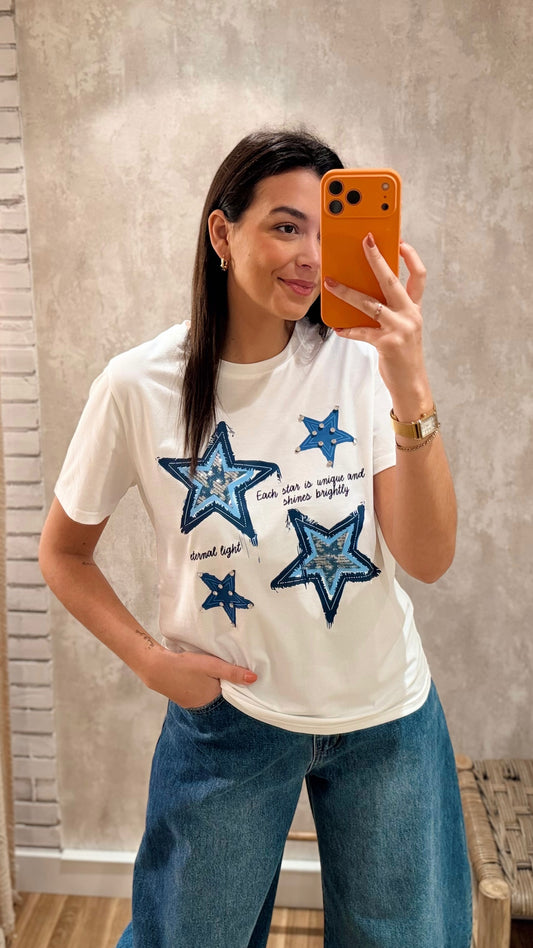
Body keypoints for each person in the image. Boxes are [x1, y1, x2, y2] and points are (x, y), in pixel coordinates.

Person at [39, 128, 473, 948]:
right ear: (221, 232)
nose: (310, 256)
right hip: (229, 721)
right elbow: (62, 553)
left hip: (386, 720)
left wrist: (409, 378)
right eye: (284, 225)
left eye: (327, 231)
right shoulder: (137, 385)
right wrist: (149, 660)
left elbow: (427, 557)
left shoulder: (361, 361)